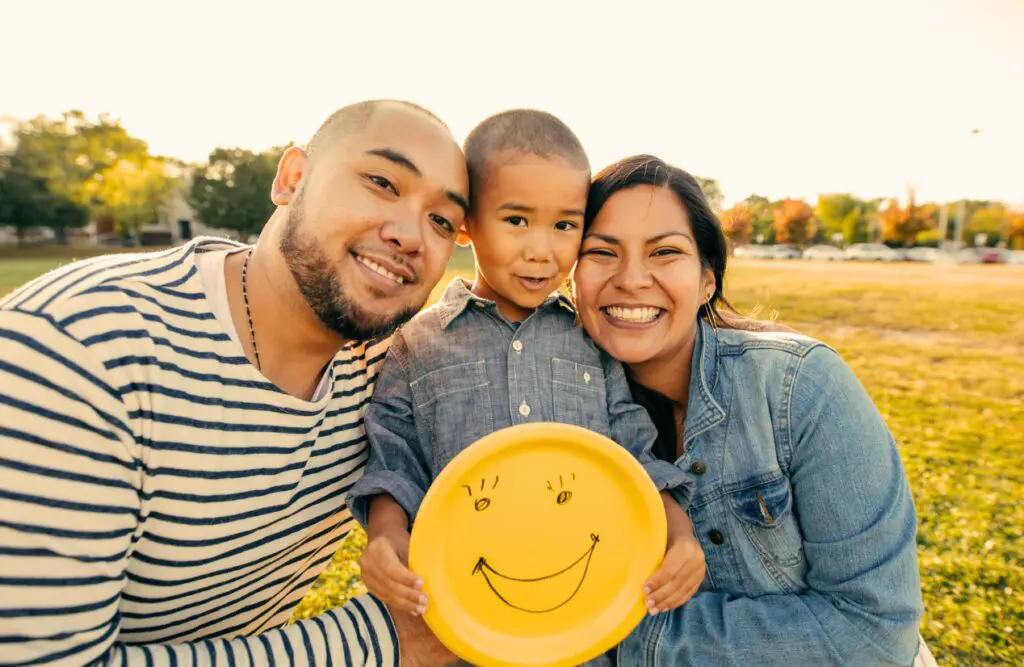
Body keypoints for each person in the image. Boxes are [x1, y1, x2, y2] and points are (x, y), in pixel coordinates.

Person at [0, 100, 470, 666]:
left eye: (442, 220)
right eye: (381, 182)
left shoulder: (391, 371)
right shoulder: (80, 350)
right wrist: (390, 643)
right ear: (293, 178)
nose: (411, 235)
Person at [346, 111, 706, 634]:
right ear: (467, 223)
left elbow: (632, 450)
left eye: (565, 225)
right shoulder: (415, 344)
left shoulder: (590, 339)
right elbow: (393, 459)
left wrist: (680, 534)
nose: (542, 251)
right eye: (517, 221)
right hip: (464, 606)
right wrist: (384, 534)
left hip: (584, 598)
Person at [571, 155, 925, 665]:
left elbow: (874, 634)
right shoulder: (549, 404)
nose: (631, 278)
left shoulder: (801, 386)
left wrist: (610, 635)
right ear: (572, 276)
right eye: (602, 251)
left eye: (665, 252)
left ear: (707, 280)